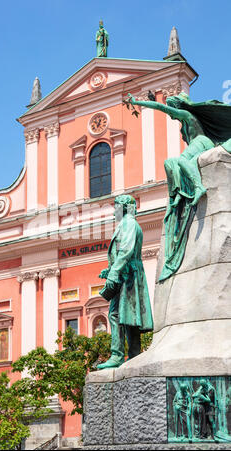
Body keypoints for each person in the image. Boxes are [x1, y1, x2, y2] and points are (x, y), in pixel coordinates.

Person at [125, 93, 231, 281]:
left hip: (203, 143)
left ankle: (197, 187)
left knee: (177, 161)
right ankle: (189, 188)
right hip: (202, 144)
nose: (172, 115)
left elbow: (161, 108)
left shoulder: (187, 115)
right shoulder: (186, 122)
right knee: (176, 163)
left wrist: (136, 102)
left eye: (172, 108)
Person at [97, 195, 153, 369]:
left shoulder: (128, 223)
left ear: (124, 208)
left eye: (116, 208)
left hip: (127, 275)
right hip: (128, 273)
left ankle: (117, 355)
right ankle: (134, 354)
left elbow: (126, 250)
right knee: (129, 315)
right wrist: (110, 269)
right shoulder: (128, 224)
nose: (114, 212)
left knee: (116, 315)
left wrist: (114, 272)